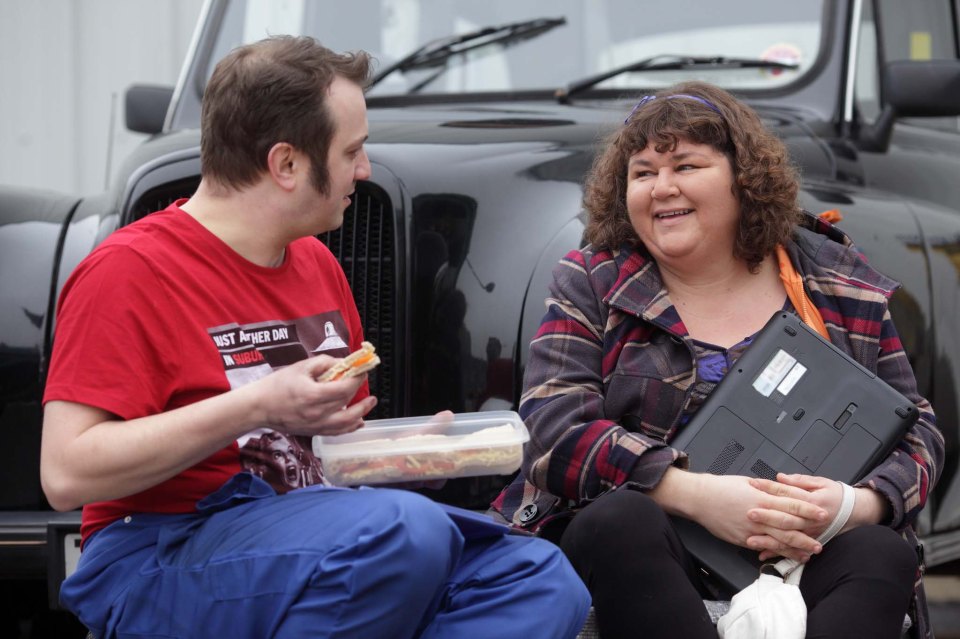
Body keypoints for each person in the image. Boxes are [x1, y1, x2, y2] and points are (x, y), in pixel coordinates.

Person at [40, 35, 590, 639]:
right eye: (352, 149)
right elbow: (67, 473)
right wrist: (256, 404)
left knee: (539, 578)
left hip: (313, 532)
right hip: (159, 550)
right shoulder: (128, 271)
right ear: (286, 164)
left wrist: (405, 453)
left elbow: (318, 461)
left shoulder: (316, 264)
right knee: (407, 533)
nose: (365, 169)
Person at [490, 81, 943, 639]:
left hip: (804, 547)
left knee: (878, 551)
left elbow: (919, 432)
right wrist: (699, 498)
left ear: (743, 179)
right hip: (653, 551)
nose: (662, 188)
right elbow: (553, 430)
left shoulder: (833, 281)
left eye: (685, 165)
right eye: (643, 172)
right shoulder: (592, 279)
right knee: (617, 522)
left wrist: (853, 506)